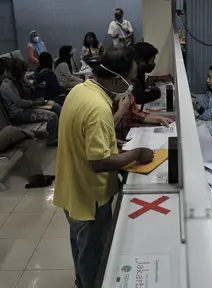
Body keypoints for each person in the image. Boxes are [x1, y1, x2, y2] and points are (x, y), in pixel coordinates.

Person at [53, 47, 154, 288]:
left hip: (71, 188)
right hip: (91, 197)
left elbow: (83, 135)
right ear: (115, 78)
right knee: (93, 257)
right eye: (130, 80)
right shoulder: (98, 108)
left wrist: (110, 141)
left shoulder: (80, 90)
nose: (131, 85)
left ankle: (81, 283)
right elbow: (98, 162)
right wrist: (136, 154)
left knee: (80, 246)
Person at [1, 58, 61, 147]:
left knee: (56, 107)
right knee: (52, 117)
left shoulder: (19, 79)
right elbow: (19, 102)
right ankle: (52, 139)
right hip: (18, 113)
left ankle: (56, 134)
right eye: (23, 72)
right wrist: (36, 103)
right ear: (17, 73)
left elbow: (31, 90)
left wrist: (30, 88)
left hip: (28, 107)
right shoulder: (7, 85)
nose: (25, 74)